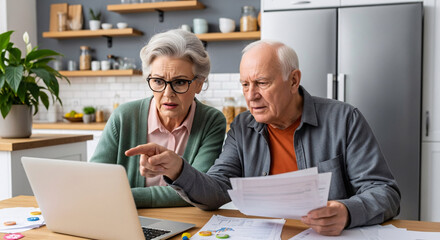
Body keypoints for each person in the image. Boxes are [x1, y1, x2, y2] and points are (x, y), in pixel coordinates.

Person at [125, 40, 401, 235]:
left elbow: (386, 193)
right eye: (245, 84)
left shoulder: (344, 119)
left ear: (293, 81)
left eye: (262, 83)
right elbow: (217, 191)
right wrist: (177, 168)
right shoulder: (243, 126)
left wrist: (346, 211)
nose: (251, 95)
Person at [90, 29, 226, 208]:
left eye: (180, 82)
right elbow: (94, 183)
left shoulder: (212, 121)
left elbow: (200, 191)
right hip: (130, 220)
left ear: (199, 84)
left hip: (187, 222)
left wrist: (125, 197)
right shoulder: (123, 117)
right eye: (158, 81)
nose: (168, 94)